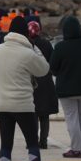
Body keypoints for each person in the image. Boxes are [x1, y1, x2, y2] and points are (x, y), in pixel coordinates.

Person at [0, 16, 51, 161]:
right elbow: (43, 69)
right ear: (26, 34)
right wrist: (35, 48)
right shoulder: (27, 53)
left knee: (6, 145)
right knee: (32, 143)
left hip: (2, 105)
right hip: (23, 105)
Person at [50, 16, 81, 158]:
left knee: (72, 118)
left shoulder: (60, 47)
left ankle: (76, 148)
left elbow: (53, 68)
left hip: (67, 89)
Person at [28, 21, 58, 149]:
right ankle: (44, 141)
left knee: (33, 114)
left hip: (31, 82)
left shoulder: (26, 46)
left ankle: (33, 141)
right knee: (44, 115)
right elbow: (53, 62)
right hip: (46, 81)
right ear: (39, 30)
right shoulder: (46, 44)